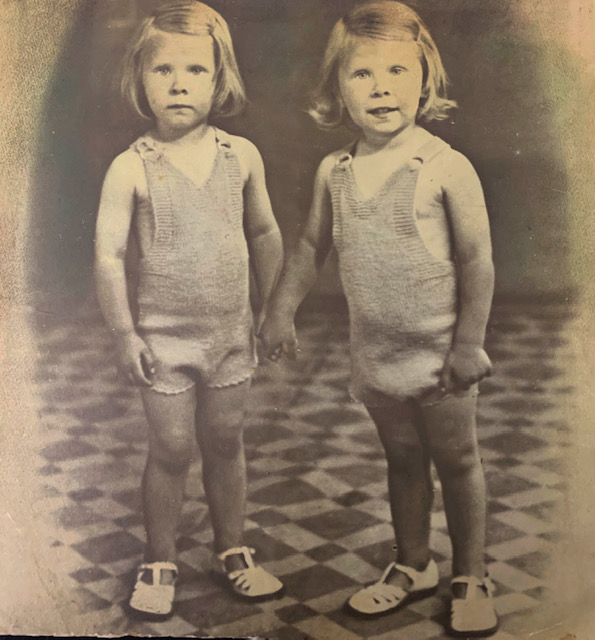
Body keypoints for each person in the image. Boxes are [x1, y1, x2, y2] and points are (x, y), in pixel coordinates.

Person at [260, 1, 497, 636]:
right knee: (402, 458)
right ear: (337, 88)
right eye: (362, 74)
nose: (381, 88)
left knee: (458, 461)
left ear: (425, 79)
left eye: (397, 71)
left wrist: (468, 344)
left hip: (440, 353)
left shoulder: (444, 166)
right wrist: (280, 308)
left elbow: (477, 261)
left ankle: (471, 574)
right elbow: (311, 246)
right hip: (375, 352)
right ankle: (413, 563)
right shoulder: (335, 171)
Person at [94, 0, 284, 617]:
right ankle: (160, 558)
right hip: (163, 342)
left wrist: (275, 307)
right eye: (163, 70)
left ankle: (232, 548)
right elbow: (107, 257)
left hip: (229, 334)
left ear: (219, 79)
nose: (179, 84)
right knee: (172, 449)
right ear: (140, 78)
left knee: (226, 440)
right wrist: (124, 334)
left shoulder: (241, 156)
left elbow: (264, 232)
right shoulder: (131, 167)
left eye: (196, 70)